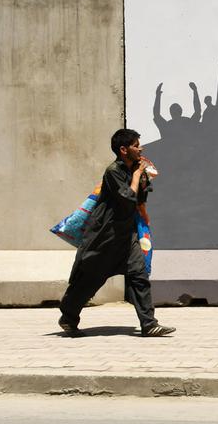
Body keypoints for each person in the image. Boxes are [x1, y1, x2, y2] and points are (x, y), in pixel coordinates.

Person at [58, 129, 175, 337]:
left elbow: (139, 199)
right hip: (105, 236)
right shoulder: (113, 171)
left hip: (127, 235)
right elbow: (127, 197)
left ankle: (149, 324)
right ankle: (68, 316)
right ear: (123, 150)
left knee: (139, 275)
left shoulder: (136, 168)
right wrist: (138, 174)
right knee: (90, 280)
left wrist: (144, 184)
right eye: (136, 145)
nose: (141, 148)